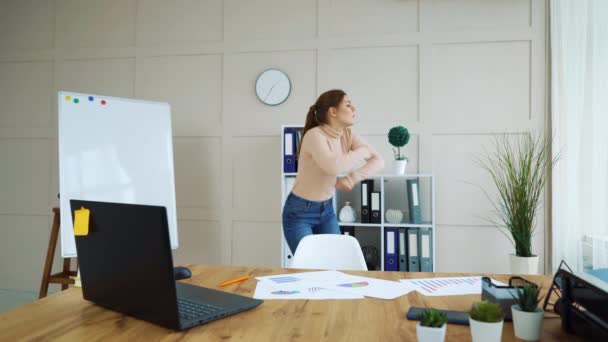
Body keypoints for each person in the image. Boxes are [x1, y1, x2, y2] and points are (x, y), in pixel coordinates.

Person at [282, 89, 385, 254]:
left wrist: (352, 178)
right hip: (300, 213)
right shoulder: (314, 135)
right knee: (310, 267)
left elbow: (379, 160)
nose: (354, 109)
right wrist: (362, 152)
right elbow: (333, 166)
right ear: (333, 111)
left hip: (326, 210)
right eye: (348, 105)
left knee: (335, 262)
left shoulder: (348, 134)